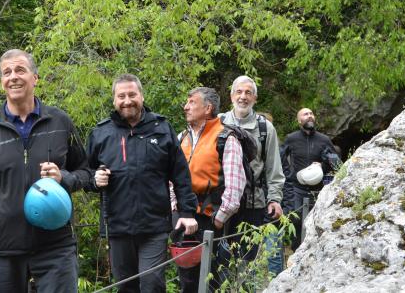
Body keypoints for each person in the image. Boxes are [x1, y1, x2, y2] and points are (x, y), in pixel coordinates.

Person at [0, 49, 89, 293]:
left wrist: (64, 177)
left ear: (35, 78)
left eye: (20, 70)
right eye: (7, 72)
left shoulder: (60, 122)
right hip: (3, 249)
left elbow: (85, 171)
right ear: (2, 82)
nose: (13, 76)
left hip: (56, 246)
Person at [87, 74, 199, 293]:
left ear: (141, 95)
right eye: (121, 96)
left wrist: (187, 212)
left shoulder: (162, 128)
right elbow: (84, 173)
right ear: (114, 100)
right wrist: (94, 180)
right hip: (116, 225)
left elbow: (180, 175)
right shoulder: (101, 133)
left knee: (152, 283)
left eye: (132, 94)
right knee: (126, 286)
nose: (127, 100)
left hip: (154, 225)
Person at [176, 87, 246, 293]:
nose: (185, 107)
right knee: (186, 277)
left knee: (210, 278)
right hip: (182, 215)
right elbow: (171, 178)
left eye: (191, 102)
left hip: (209, 217)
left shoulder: (226, 137)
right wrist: (174, 207)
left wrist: (219, 218)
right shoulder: (182, 137)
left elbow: (235, 185)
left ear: (208, 108)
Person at [217, 76, 285, 276]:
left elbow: (274, 168)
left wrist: (274, 199)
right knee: (218, 260)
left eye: (248, 93)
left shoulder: (265, 128)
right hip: (219, 203)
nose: (243, 97)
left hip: (253, 204)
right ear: (231, 96)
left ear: (255, 98)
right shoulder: (217, 123)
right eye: (239, 92)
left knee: (247, 262)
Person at [281, 107, 341, 249]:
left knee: (315, 223)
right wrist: (288, 175)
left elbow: (337, 164)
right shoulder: (292, 138)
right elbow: (280, 158)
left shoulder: (324, 139)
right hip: (296, 188)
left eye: (311, 114)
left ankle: (312, 252)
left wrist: (322, 165)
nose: (309, 116)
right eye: (305, 114)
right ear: (299, 120)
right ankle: (295, 254)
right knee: (295, 221)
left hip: (318, 190)